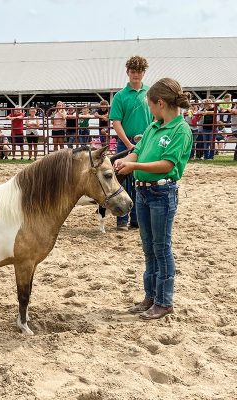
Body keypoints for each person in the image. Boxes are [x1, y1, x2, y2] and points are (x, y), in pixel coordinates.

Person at [114, 78, 193, 320]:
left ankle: (164, 301)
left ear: (160, 103)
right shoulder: (154, 126)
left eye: (150, 105)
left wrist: (134, 164)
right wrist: (125, 160)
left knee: (161, 248)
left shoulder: (180, 130)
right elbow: (137, 150)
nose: (149, 109)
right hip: (144, 192)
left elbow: (167, 164)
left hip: (161, 193)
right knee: (149, 248)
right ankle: (151, 297)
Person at [110, 55, 153, 231]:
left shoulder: (150, 93)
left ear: (144, 72)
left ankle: (137, 220)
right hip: (125, 143)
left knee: (142, 180)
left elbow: (155, 118)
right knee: (122, 182)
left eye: (139, 71)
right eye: (133, 71)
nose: (136, 75)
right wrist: (128, 144)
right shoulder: (120, 96)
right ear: (128, 72)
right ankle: (122, 219)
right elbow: (116, 121)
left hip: (146, 142)